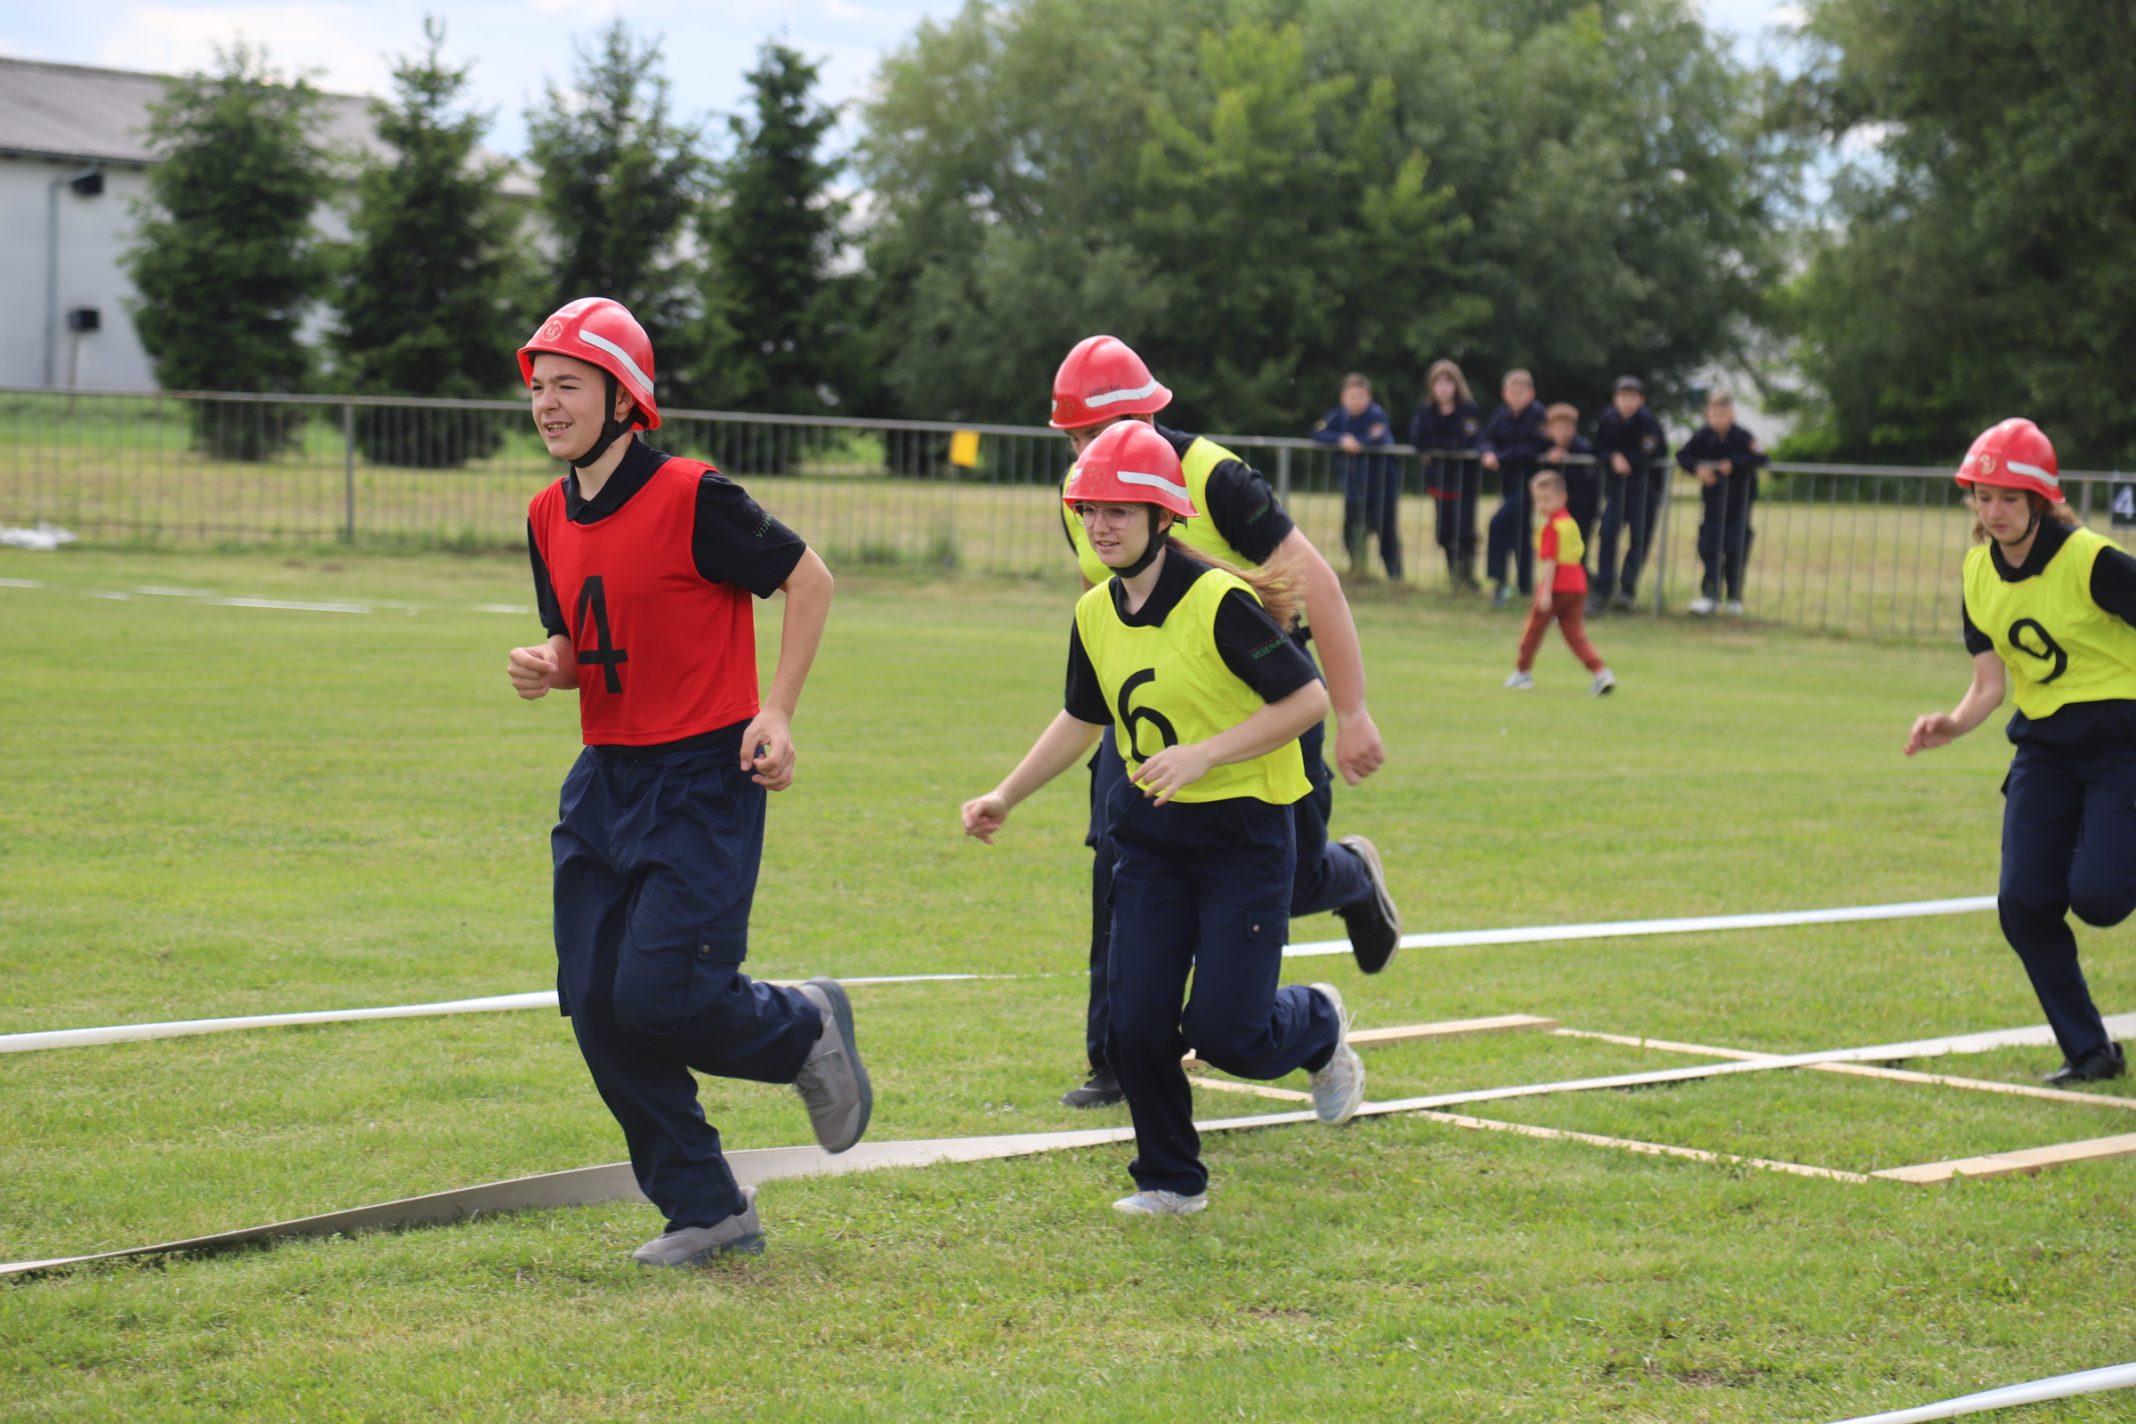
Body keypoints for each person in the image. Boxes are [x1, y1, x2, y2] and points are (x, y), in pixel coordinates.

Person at [506, 297, 869, 1267]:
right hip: (604, 781)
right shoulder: (546, 513)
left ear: (625, 399)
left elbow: (810, 578)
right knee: (596, 1003)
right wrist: (549, 664)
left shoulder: (694, 495)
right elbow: (578, 641)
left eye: (569, 386)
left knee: (662, 997)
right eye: (539, 388)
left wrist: (776, 710)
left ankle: (802, 1027)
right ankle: (707, 1208)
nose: (547, 405)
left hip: (703, 778)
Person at [963, 421, 1368, 1214]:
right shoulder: (1094, 612)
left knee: (1229, 1035)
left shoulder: (1219, 602)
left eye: (1119, 510)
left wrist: (1205, 755)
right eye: (1089, 510)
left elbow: (1306, 700)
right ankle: (1171, 1180)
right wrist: (1005, 795)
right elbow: (1082, 717)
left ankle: (1317, 1022)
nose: (1100, 525)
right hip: (1149, 839)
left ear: (1162, 516)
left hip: (1244, 839)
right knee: (1137, 1021)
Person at [1047, 335, 1401, 1111]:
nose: (1082, 454)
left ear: (1143, 419)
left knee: (1285, 879)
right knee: (1120, 862)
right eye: (1072, 439)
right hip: (1151, 718)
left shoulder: (1214, 476)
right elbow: (1104, 609)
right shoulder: (1082, 492)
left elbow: (1318, 585)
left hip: (1261, 700)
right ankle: (1118, 1058)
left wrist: (1352, 712)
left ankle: (1349, 876)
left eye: (1092, 433)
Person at [1905, 417, 2131, 1087]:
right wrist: (1952, 723)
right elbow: (1989, 684)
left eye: (2009, 497)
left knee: (2099, 899)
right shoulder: (1978, 572)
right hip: (2045, 748)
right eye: (1983, 496)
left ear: (2040, 499)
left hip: (2122, 740)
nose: (1995, 511)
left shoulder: (2090, 559)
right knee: (2024, 903)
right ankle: (2090, 1050)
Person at [1505, 471, 1615, 696]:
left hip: (1557, 586)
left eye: (1547, 500)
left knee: (1532, 631)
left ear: (1563, 498)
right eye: (1538, 500)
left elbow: (1551, 561)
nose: (1541, 505)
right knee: (1575, 635)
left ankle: (1522, 673)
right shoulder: (1570, 522)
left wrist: (1545, 593)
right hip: (1577, 585)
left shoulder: (1552, 527)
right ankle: (1601, 672)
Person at [1675, 391, 1767, 616]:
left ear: (1732, 414)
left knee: (1736, 549)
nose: (1718, 418)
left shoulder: (1742, 436)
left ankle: (1734, 597)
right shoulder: (1702, 436)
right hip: (1713, 503)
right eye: (1714, 414)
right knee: (1709, 547)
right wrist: (1697, 469)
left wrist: (1734, 463)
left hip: (1739, 503)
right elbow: (1682, 456)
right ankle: (1710, 595)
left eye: (1723, 414)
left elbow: (1761, 457)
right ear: (1707, 414)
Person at [1311, 373, 1402, 581]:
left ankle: (1395, 577)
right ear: (1343, 397)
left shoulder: (1377, 415)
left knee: (1386, 535)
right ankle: (1358, 570)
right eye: (1351, 397)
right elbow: (1318, 432)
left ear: (1369, 397)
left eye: (1360, 396)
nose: (1356, 401)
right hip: (1354, 488)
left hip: (1382, 489)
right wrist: (1340, 439)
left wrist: (1357, 443)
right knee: (1351, 533)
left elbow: (1381, 438)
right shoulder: (1338, 416)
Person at [1591, 376, 1669, 610]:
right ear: (1615, 399)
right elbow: (1598, 448)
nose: (1627, 402)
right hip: (1617, 490)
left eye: (1631, 397)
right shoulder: (1608, 419)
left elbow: (1652, 453)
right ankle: (1603, 589)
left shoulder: (1648, 423)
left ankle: (1627, 590)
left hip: (1645, 490)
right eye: (1622, 397)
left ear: (1641, 400)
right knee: (1607, 534)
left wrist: (1627, 459)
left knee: (1639, 538)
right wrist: (1613, 456)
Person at [1407, 359, 1483, 590]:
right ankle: (1454, 576)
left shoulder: (1468, 410)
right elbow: (1418, 439)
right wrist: (1447, 442)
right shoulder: (1426, 411)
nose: (1443, 388)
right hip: (1439, 480)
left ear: (1456, 385)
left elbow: (1468, 441)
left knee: (1464, 530)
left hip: (1464, 481)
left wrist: (1439, 446)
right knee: (1445, 531)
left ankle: (1467, 576)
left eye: (1448, 382)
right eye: (1438, 383)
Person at [1480, 370, 1548, 608]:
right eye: (1512, 392)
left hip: (1531, 487)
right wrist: (1488, 453)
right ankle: (1523, 586)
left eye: (1521, 392)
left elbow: (1534, 448)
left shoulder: (1538, 416)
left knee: (1498, 524)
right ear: (1504, 394)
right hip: (1508, 485)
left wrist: (1501, 456)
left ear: (1531, 393)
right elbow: (1486, 439)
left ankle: (1499, 581)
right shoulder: (1501, 415)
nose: (1516, 396)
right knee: (1519, 534)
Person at [1539, 401, 1600, 559]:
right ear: (1549, 430)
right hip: (1556, 508)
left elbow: (1588, 477)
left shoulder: (1585, 449)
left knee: (1577, 549)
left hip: (1582, 508)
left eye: (1567, 427)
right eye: (1558, 427)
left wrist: (1568, 461)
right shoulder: (1544, 448)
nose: (1563, 432)